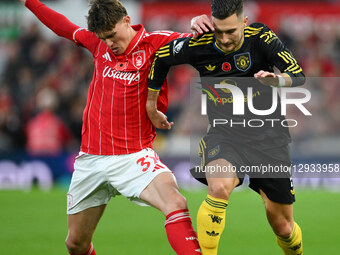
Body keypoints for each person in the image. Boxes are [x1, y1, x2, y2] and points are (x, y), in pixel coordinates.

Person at [18, 0, 211, 254]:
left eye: (112, 35)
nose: (109, 43)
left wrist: (196, 23)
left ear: (126, 21)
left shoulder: (156, 44)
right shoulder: (99, 45)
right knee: (75, 243)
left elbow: (196, 43)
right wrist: (29, 2)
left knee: (175, 202)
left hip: (133, 156)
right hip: (91, 159)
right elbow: (63, 26)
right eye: (103, 38)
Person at [146, 0, 305, 254]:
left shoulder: (261, 37)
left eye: (231, 31)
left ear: (244, 22)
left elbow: (297, 74)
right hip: (225, 134)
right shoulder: (201, 43)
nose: (224, 38)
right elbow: (162, 56)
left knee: (284, 227)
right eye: (218, 31)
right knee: (218, 187)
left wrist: (279, 81)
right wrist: (151, 106)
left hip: (269, 139)